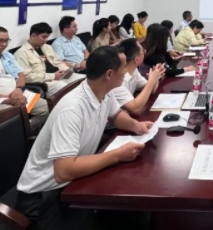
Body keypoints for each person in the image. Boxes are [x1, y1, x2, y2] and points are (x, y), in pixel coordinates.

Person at [16, 47, 153, 230]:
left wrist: (136, 125)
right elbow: (63, 171)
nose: (126, 73)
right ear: (109, 74)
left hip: (76, 181)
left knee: (135, 213)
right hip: (45, 196)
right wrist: (117, 155)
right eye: (123, 69)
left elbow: (116, 115)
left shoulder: (103, 90)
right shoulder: (72, 109)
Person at [14, 23, 82, 98]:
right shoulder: (21, 53)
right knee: (65, 88)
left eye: (47, 37)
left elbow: (58, 61)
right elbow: (26, 77)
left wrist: (66, 71)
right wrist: (53, 76)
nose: (46, 40)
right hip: (46, 82)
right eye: (44, 37)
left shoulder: (47, 47)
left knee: (82, 79)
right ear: (33, 36)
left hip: (59, 76)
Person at [113, 39, 164, 115]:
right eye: (143, 51)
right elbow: (135, 109)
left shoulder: (134, 71)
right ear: (136, 59)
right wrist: (152, 80)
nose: (144, 53)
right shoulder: (117, 80)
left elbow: (152, 90)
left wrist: (155, 76)